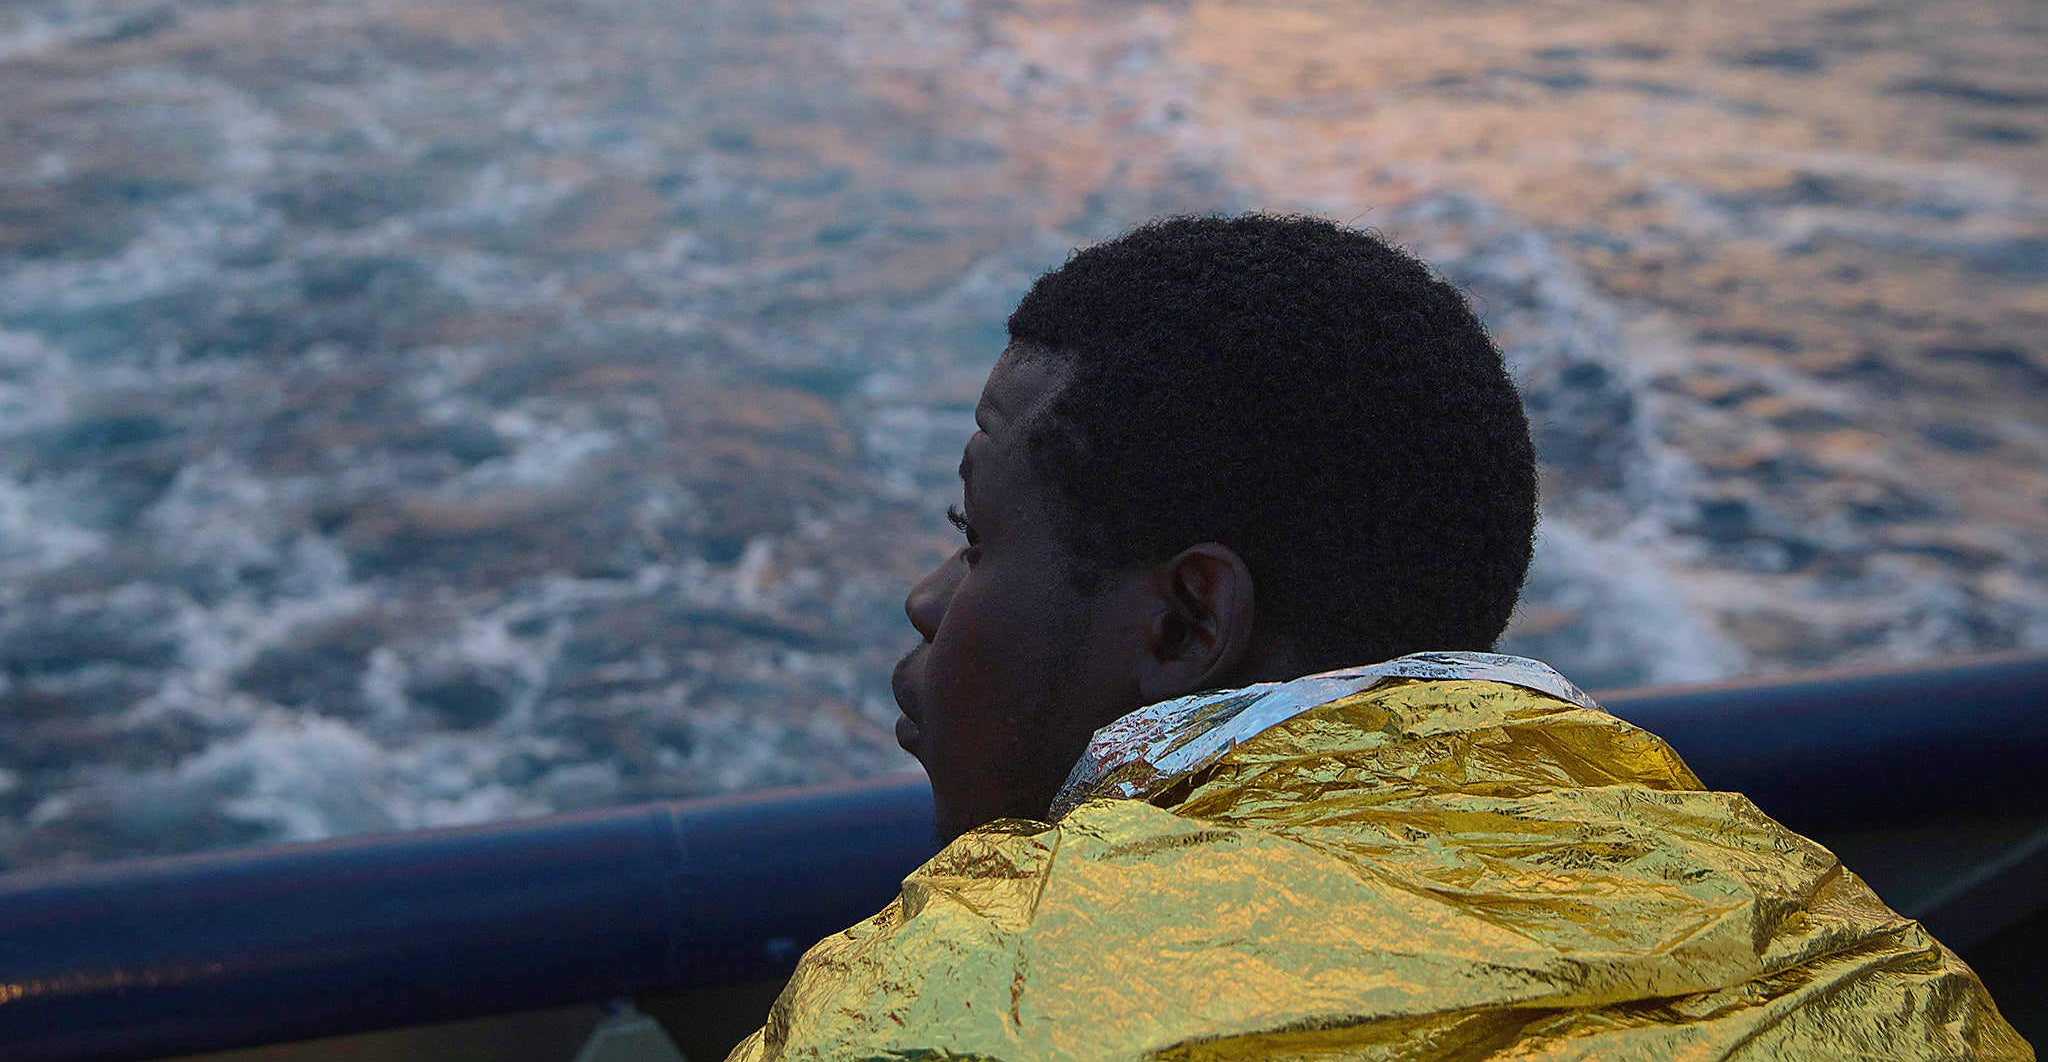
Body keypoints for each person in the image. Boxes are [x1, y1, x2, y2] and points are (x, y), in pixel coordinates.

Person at [730, 214, 2027, 1060]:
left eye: (974, 538)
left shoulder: (946, 1001)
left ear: (1188, 621)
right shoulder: (1849, 937)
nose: (927, 596)